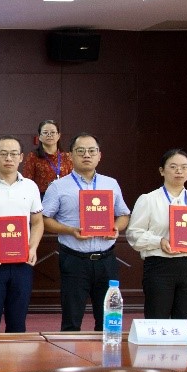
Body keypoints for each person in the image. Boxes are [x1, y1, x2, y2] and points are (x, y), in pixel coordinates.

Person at [41, 133, 131, 331]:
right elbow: (44, 219)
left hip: (106, 261)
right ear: (70, 155)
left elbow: (124, 214)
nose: (86, 155)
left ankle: (106, 352)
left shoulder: (111, 183)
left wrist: (116, 227)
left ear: (99, 155)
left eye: (92, 151)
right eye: (80, 151)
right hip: (74, 261)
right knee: (71, 321)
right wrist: (70, 230)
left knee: (108, 321)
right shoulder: (58, 186)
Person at [126, 149, 187, 324]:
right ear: (162, 170)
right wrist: (159, 241)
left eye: (184, 167)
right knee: (156, 321)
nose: (179, 171)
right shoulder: (148, 199)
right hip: (160, 267)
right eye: (173, 167)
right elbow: (134, 233)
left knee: (186, 323)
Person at [0, 136, 44, 333]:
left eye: (13, 154)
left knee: (18, 323)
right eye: (3, 153)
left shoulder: (30, 186)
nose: (9, 158)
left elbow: (37, 222)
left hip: (23, 262)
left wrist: (32, 248)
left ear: (21, 157)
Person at [20, 119, 72, 196]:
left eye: (53, 132)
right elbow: (27, 181)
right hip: (41, 197)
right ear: (39, 136)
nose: (49, 135)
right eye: (45, 132)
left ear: (58, 136)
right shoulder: (33, 156)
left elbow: (72, 180)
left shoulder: (66, 157)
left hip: (64, 195)